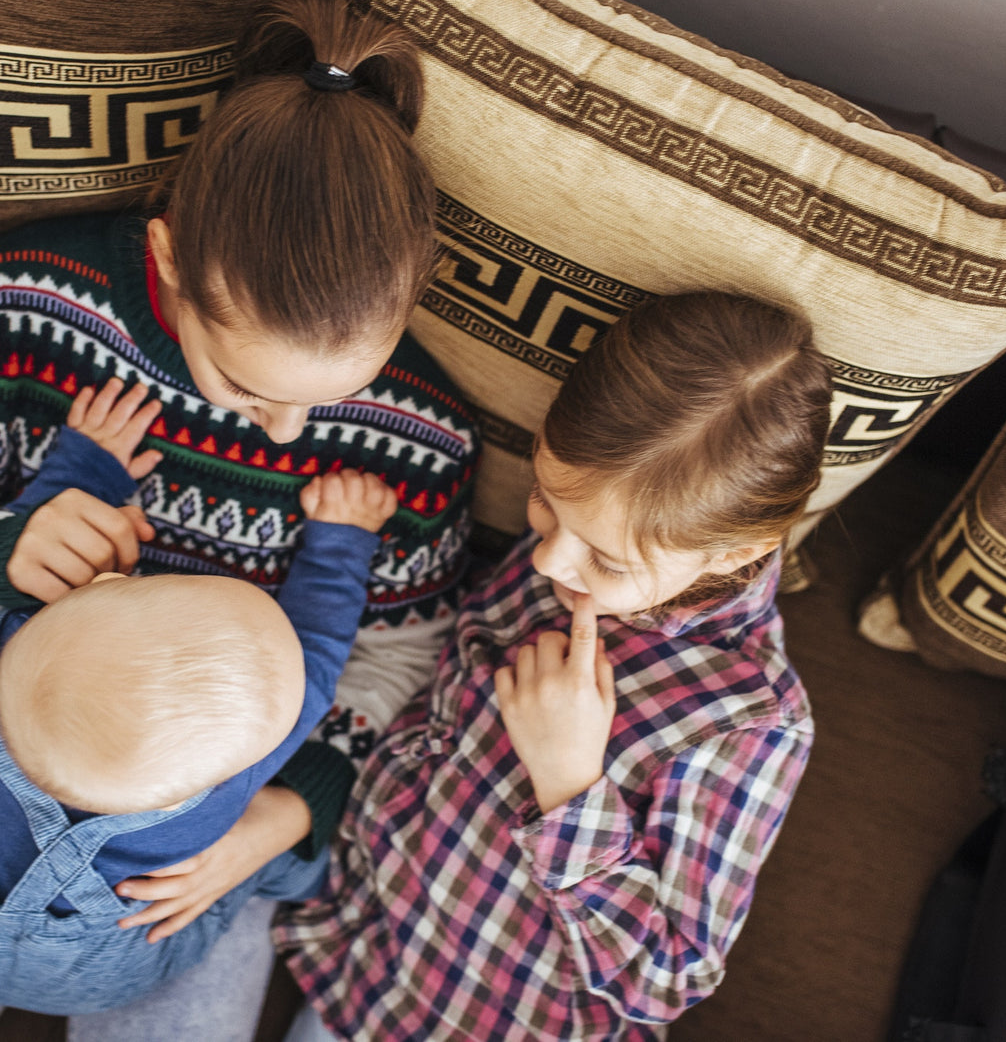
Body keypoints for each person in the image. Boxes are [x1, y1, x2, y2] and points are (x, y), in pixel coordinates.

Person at [0, 0, 475, 1039]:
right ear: (164, 260)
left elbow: (398, 661)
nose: (289, 438)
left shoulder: (418, 440)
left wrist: (291, 810)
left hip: (208, 846)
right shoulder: (22, 307)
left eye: (333, 392)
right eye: (247, 387)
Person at [123, 291, 831, 1040]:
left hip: (489, 1016)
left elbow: (667, 976)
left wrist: (568, 785)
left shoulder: (748, 720)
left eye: (606, 558)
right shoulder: (575, 545)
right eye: (545, 502)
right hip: (367, 943)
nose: (552, 558)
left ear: (735, 553)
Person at [0, 381, 397, 1014]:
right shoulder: (238, 768)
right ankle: (326, 881)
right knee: (257, 862)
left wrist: (87, 464)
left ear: (98, 584)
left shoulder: (7, 642)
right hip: (121, 968)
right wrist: (342, 539)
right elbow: (317, 650)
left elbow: (26, 547)